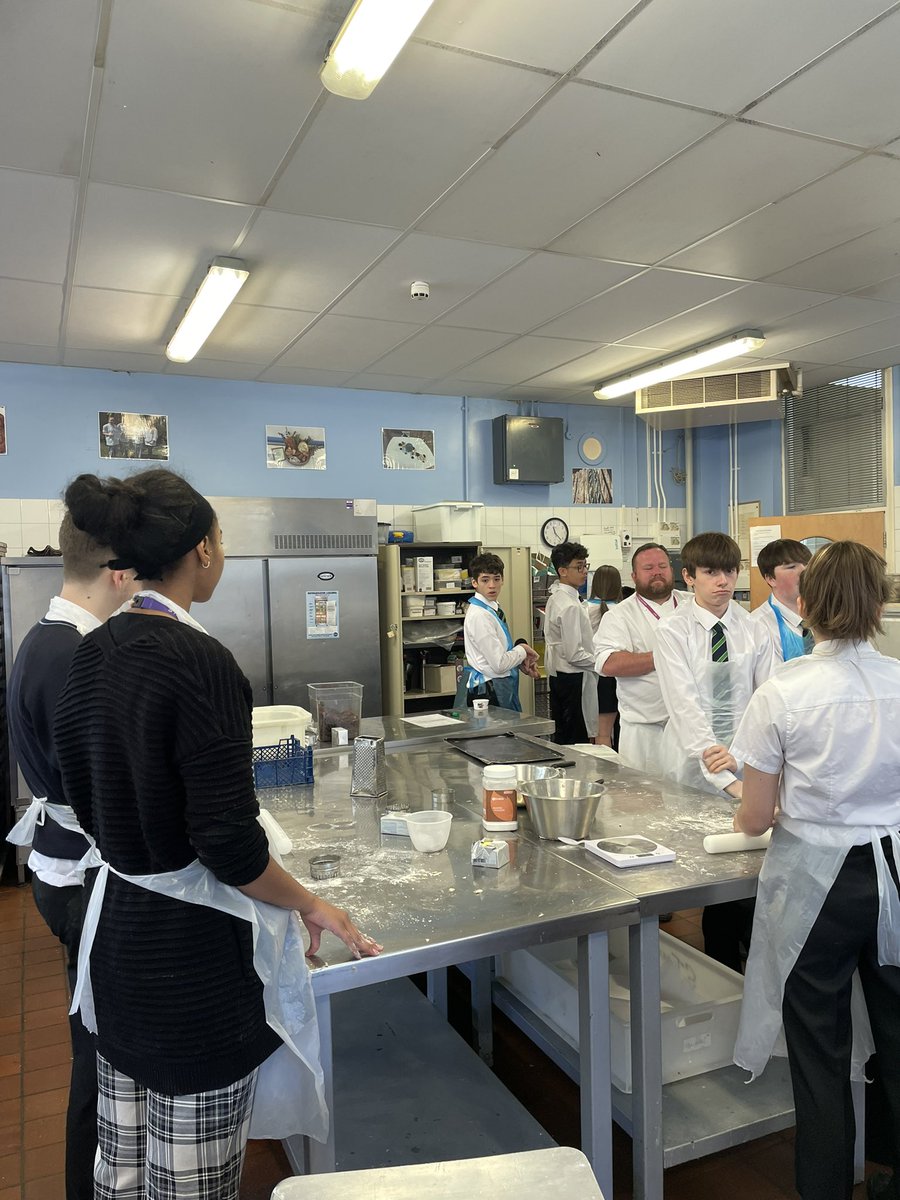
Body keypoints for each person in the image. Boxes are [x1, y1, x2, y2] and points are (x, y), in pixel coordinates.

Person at [52, 469, 382, 1200]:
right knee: (191, 1183)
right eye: (222, 540)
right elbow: (229, 846)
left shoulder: (91, 652)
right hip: (190, 971)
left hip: (118, 949)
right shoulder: (201, 664)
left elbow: (83, 794)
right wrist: (311, 904)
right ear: (202, 550)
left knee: (123, 1168)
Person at [730, 541, 900, 1200]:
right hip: (892, 876)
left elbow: (754, 817)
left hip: (816, 887)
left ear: (806, 603)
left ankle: (826, 1187)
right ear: (878, 605)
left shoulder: (783, 692)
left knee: (820, 1047)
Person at [5, 516, 137, 1200]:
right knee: (98, 1052)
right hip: (81, 877)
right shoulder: (73, 655)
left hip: (66, 868)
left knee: (98, 1039)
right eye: (136, 574)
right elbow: (97, 785)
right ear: (118, 574)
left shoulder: (49, 637)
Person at [654, 532, 774, 970]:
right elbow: (684, 705)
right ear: (689, 577)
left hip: (747, 761)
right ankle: (715, 966)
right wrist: (722, 772)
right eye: (710, 572)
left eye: (729, 571)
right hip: (692, 763)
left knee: (747, 868)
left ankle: (743, 964)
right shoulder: (672, 631)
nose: (722, 581)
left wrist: (741, 759)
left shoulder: (754, 628)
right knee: (703, 869)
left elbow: (767, 698)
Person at [592, 542, 681, 774]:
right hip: (644, 731)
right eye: (648, 568)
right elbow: (608, 663)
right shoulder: (620, 615)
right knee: (645, 794)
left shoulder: (693, 604)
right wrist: (664, 656)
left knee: (693, 793)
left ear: (672, 570)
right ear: (633, 576)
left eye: (662, 566)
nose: (657, 572)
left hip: (689, 729)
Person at [456, 551, 538, 711]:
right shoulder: (480, 615)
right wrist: (522, 650)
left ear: (503, 580)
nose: (492, 585)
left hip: (497, 685)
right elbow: (499, 664)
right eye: (485, 580)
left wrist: (519, 661)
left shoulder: (492, 609)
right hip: (488, 690)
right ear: (474, 582)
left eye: (496, 579)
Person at [543, 541, 598, 744]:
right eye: (579, 567)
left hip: (560, 676)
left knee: (564, 735)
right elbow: (574, 654)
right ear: (563, 571)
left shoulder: (557, 597)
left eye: (585, 566)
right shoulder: (569, 605)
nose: (584, 572)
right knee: (575, 739)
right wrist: (602, 662)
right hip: (572, 678)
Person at [750, 537, 813, 662]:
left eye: (807, 564)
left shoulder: (827, 615)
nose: (804, 571)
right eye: (792, 567)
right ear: (770, 579)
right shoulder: (757, 626)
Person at [586, 565, 623, 749]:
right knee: (624, 730)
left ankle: (606, 767)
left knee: (602, 733)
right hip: (622, 675)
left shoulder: (585, 609)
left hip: (598, 676)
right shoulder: (624, 610)